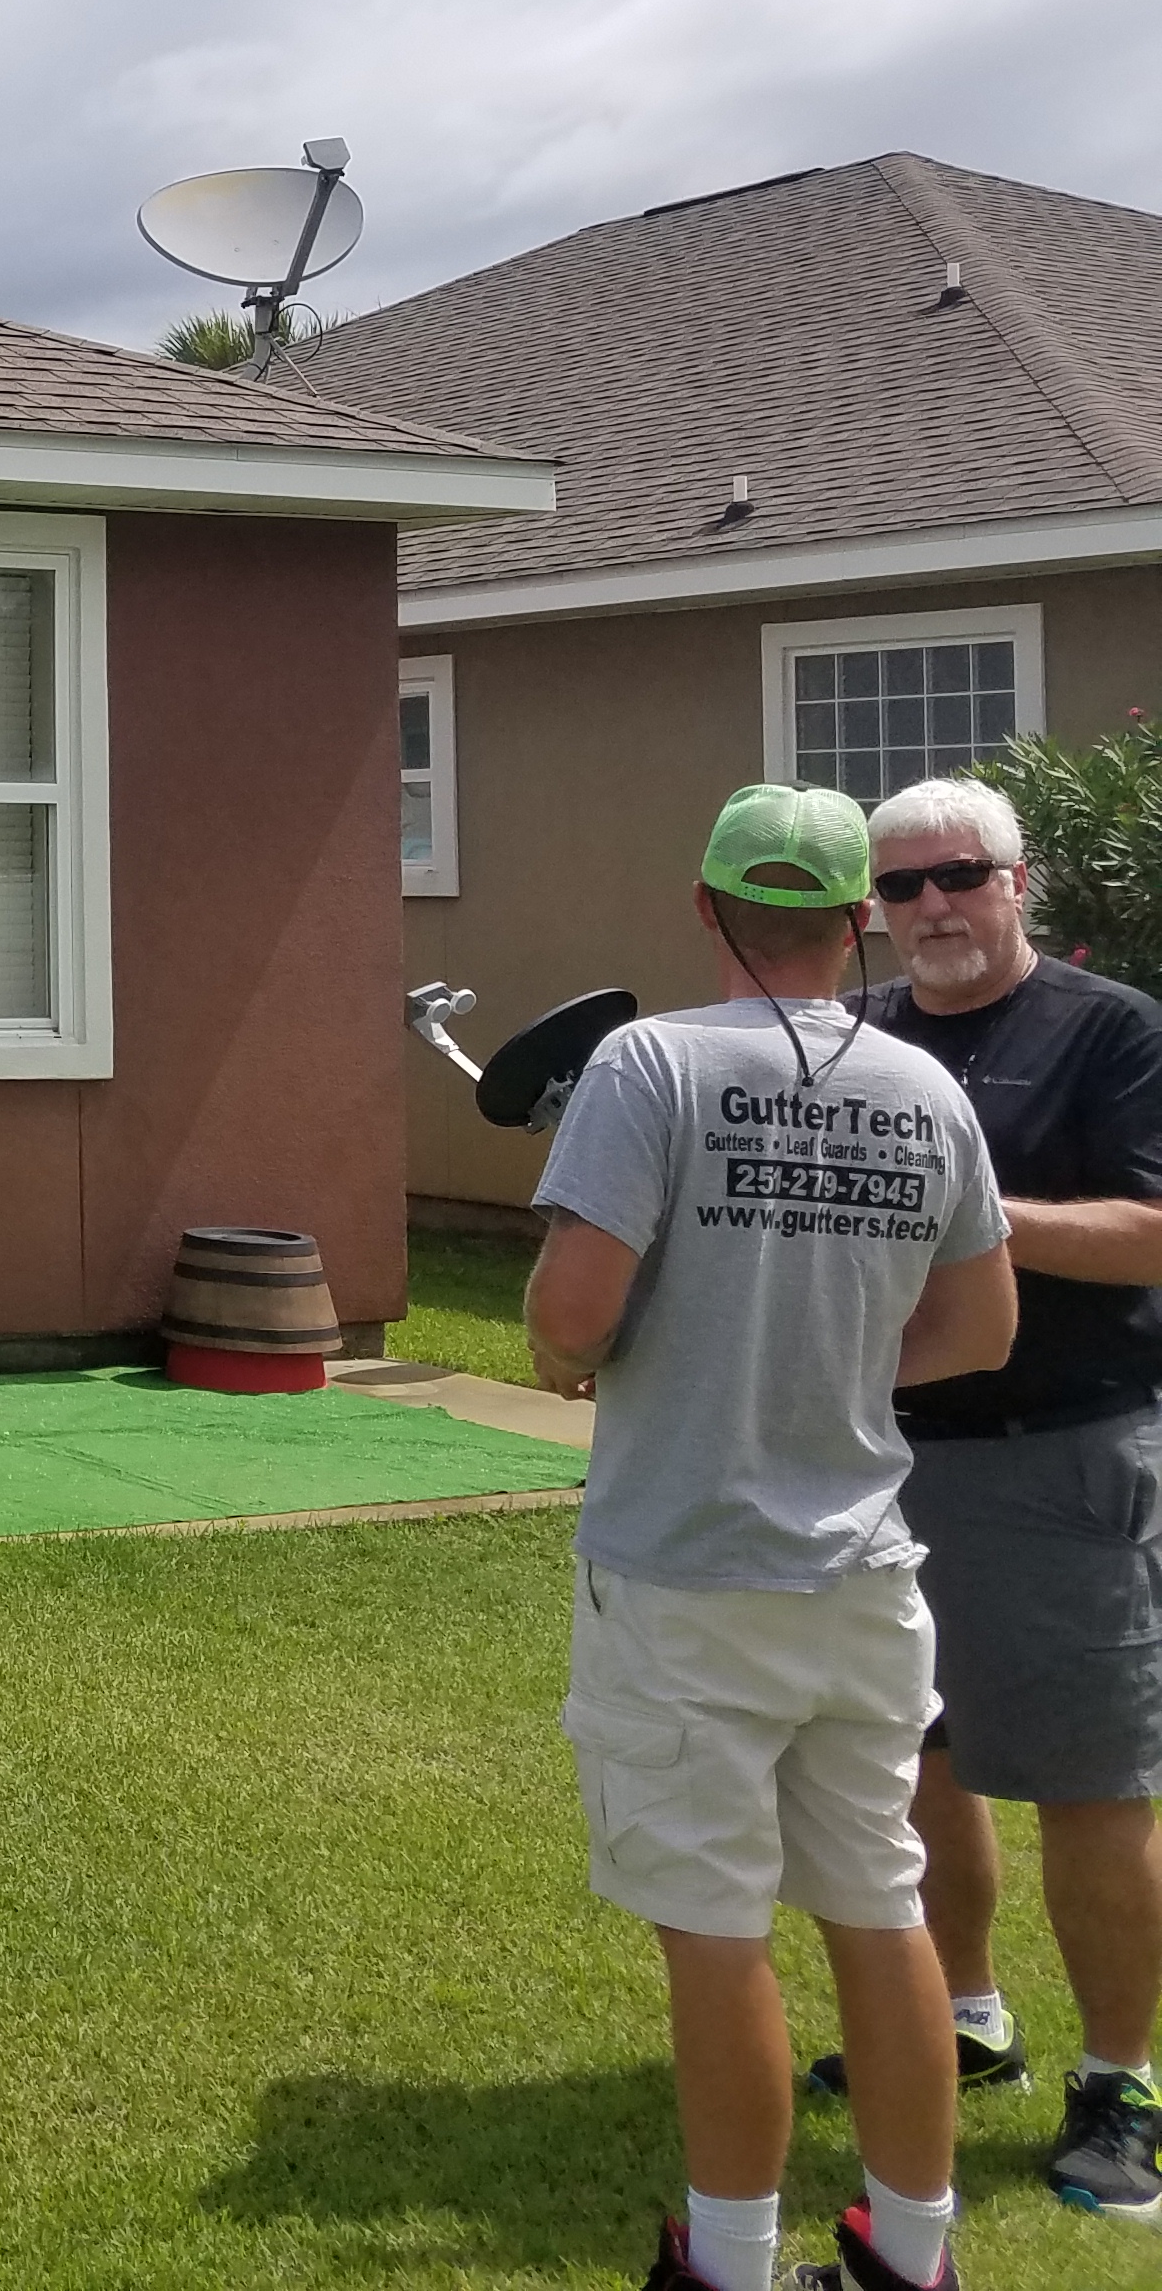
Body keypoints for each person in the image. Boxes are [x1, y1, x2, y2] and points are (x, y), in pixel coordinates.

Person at [528, 782, 1017, 2291]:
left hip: (685, 1579)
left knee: (714, 1932)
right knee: (881, 1908)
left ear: (705, 907)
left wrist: (649, 1344)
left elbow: (563, 1329)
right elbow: (981, 1330)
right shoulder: (930, 1092)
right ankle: (913, 2257)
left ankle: (731, 2266)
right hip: (867, 1578)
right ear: (863, 916)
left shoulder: (648, 1062)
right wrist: (824, 1364)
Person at [798, 771, 1162, 2221]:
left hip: (1060, 1451)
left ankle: (1119, 2085)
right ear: (869, 915)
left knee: (1089, 1781)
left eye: (962, 875)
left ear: (1023, 885)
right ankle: (964, 2014)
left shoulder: (1112, 1034)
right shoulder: (857, 1038)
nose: (934, 906)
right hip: (879, 1459)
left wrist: (973, 1211)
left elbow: (1150, 1234)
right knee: (912, 1759)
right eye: (900, 888)